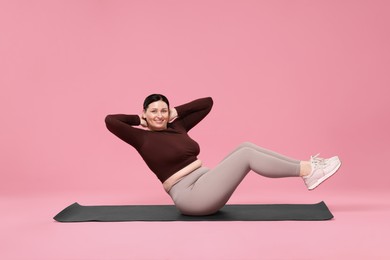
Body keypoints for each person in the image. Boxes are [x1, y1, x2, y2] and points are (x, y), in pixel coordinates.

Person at [105, 94, 342, 216]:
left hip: (204, 181)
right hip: (190, 196)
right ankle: (308, 171)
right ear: (145, 113)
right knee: (246, 155)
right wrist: (139, 120)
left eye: (163, 110)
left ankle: (307, 167)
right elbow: (110, 121)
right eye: (153, 111)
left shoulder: (177, 127)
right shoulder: (141, 138)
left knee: (245, 145)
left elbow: (207, 103)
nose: (159, 115)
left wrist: (176, 112)